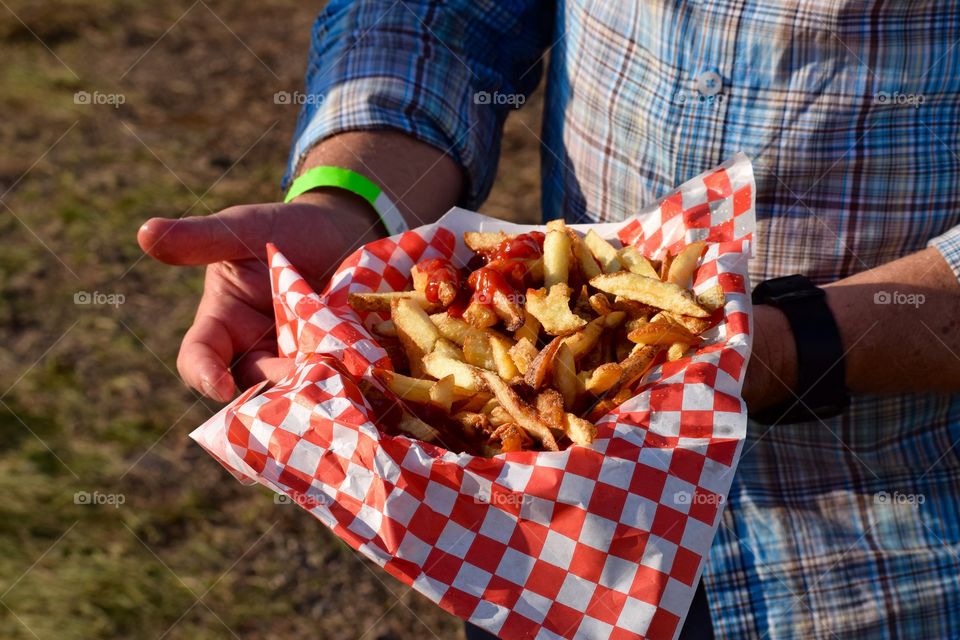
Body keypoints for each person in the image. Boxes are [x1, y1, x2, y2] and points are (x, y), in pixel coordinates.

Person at [138, 1, 960, 637]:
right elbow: (436, 13)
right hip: (540, 551)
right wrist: (352, 203)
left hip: (896, 560)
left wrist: (786, 344)